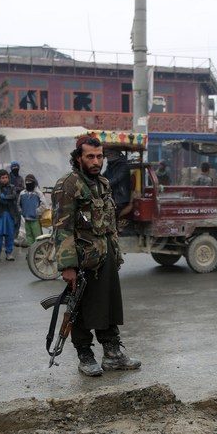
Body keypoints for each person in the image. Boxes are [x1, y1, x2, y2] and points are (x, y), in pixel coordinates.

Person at [52, 135, 140, 376]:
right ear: (78, 157)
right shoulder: (68, 185)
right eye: (90, 156)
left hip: (104, 257)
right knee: (80, 308)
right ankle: (85, 356)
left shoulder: (102, 183)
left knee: (109, 306)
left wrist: (115, 254)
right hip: (82, 261)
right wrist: (67, 266)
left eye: (99, 156)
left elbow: (109, 224)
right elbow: (62, 229)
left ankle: (113, 354)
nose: (96, 161)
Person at [0, 169, 20, 261]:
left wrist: (4, 198)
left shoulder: (12, 187)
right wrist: (5, 200)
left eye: (6, 177)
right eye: (2, 178)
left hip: (10, 214)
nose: (4, 179)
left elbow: (14, 196)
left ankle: (9, 253)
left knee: (9, 235)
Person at [102, 149, 131, 216]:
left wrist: (105, 184)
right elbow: (103, 176)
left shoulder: (123, 166)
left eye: (109, 154)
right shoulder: (110, 165)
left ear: (116, 154)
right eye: (106, 155)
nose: (107, 157)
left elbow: (116, 179)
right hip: (112, 195)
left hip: (121, 197)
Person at [19, 174, 43, 245]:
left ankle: (38, 253)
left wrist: (37, 212)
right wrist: (22, 212)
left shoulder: (38, 193)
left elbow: (44, 204)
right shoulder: (22, 193)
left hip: (35, 220)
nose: (28, 183)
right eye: (27, 181)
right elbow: (18, 204)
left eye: (30, 181)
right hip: (26, 219)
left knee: (38, 237)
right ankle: (30, 252)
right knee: (29, 237)